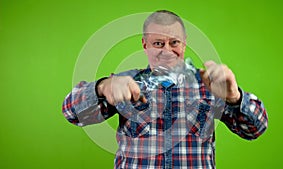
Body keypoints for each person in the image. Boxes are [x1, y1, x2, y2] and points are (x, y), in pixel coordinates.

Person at [62, 10, 268, 169]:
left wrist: (234, 97)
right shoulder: (126, 83)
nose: (167, 51)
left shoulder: (209, 83)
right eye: (158, 43)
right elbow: (72, 113)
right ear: (145, 45)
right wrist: (102, 86)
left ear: (184, 44)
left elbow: (255, 129)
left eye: (174, 42)